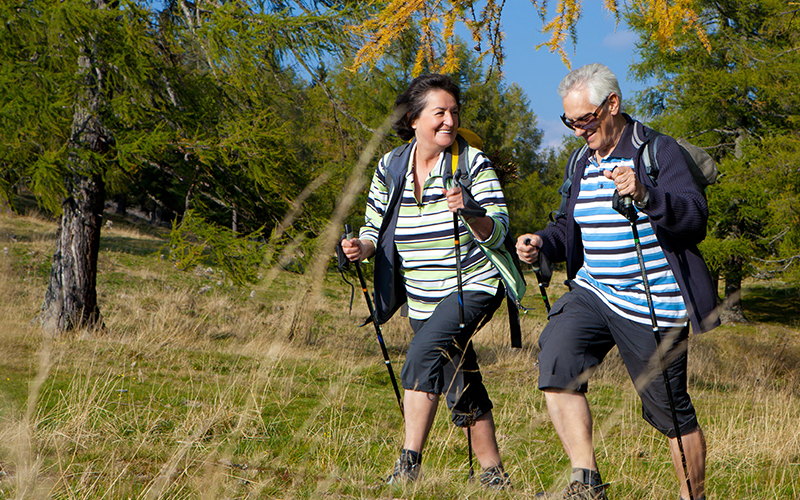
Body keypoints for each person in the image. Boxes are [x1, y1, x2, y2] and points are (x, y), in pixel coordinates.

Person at [516, 63, 718, 500]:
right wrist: (541, 243)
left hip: (653, 300)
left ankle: (693, 497)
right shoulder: (581, 160)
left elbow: (695, 215)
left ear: (612, 105)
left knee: (669, 411)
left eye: (584, 119)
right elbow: (569, 227)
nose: (576, 130)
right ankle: (586, 484)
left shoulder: (657, 151)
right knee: (557, 360)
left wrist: (646, 195)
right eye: (569, 121)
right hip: (593, 291)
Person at [341, 73, 512, 489]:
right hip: (421, 297)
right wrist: (360, 248)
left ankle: (408, 465)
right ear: (414, 119)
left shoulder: (472, 163)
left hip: (473, 286)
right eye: (440, 112)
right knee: (460, 379)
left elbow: (501, 228)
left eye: (454, 112)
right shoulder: (391, 165)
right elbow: (374, 225)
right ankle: (494, 477)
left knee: (422, 353)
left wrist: (471, 212)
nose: (449, 121)